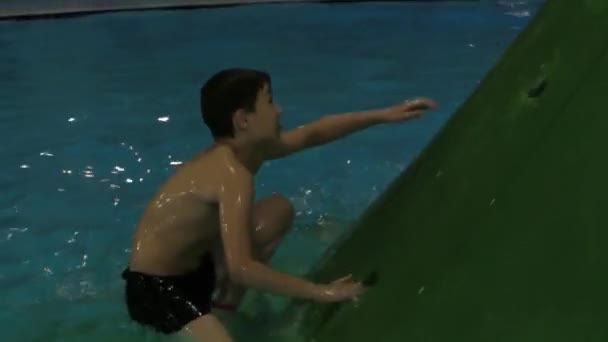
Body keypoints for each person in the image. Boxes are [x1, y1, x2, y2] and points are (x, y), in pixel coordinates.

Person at [121, 68, 438, 341]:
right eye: (270, 102)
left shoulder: (245, 153)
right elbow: (242, 268)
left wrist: (384, 115)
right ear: (244, 119)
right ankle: (207, 322)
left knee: (277, 211)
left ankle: (223, 308)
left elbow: (314, 133)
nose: (280, 110)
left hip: (198, 265)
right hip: (158, 291)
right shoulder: (230, 174)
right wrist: (321, 291)